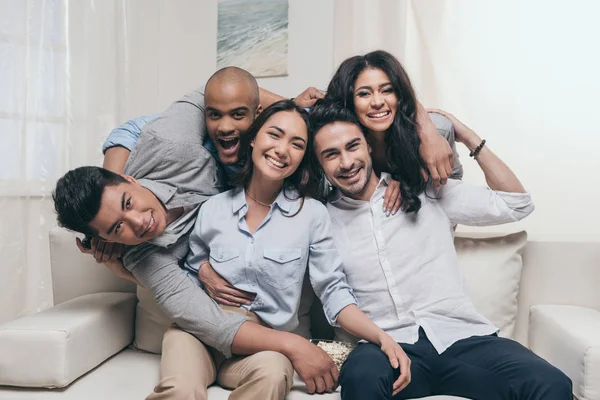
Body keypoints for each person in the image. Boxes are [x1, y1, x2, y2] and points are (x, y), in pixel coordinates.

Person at [52, 67, 341, 399]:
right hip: (196, 335)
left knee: (272, 374)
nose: (138, 222)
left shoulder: (167, 142)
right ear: (108, 240)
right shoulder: (141, 257)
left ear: (130, 180)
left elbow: (211, 94)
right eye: (118, 228)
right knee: (181, 387)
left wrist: (287, 107)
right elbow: (207, 321)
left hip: (254, 343)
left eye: (128, 202)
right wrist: (295, 344)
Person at [308, 101, 572, 399]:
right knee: (362, 377)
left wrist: (468, 137)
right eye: (331, 154)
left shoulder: (424, 190)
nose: (346, 162)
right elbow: (334, 297)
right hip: (386, 347)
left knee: (551, 383)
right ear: (319, 163)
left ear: (369, 146)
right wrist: (382, 340)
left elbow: (517, 204)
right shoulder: (320, 220)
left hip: (460, 338)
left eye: (352, 146)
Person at [181, 99, 412, 399]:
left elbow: (332, 289)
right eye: (274, 135)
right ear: (253, 138)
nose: (281, 150)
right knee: (179, 388)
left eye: (297, 144)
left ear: (304, 157)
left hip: (268, 348)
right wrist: (200, 269)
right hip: (203, 334)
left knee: (272, 376)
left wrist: (381, 337)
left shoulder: (312, 214)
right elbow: (187, 273)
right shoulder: (213, 208)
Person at [324, 49, 463, 215]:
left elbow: (453, 190)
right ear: (348, 100)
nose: (377, 102)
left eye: (387, 90)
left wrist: (411, 182)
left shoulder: (437, 129)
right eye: (364, 94)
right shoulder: (336, 140)